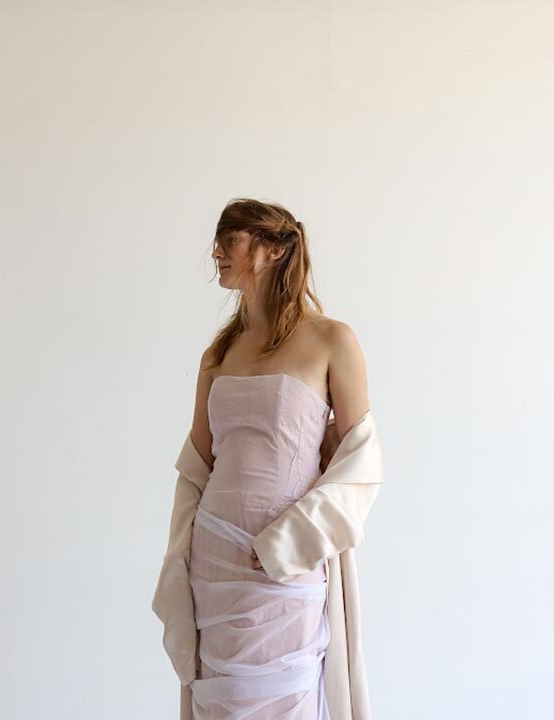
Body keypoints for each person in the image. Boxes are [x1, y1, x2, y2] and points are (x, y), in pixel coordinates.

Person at [184, 197, 372, 718]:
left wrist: (291, 539)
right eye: (218, 240)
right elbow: (198, 464)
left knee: (288, 696)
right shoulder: (217, 355)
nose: (217, 251)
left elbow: (359, 461)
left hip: (287, 557)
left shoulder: (332, 339)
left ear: (274, 248)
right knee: (220, 701)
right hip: (214, 560)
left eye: (231, 239)